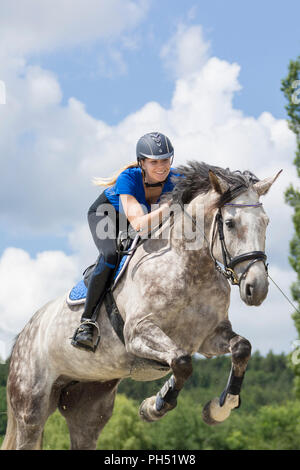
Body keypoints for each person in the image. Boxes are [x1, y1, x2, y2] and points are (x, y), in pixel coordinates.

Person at [71, 132, 178, 351]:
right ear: (142, 162)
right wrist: (169, 207)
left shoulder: (177, 179)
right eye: (154, 162)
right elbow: (139, 223)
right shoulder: (128, 178)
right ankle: (87, 322)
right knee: (111, 254)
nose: (161, 166)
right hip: (106, 216)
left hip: (145, 218)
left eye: (166, 160)